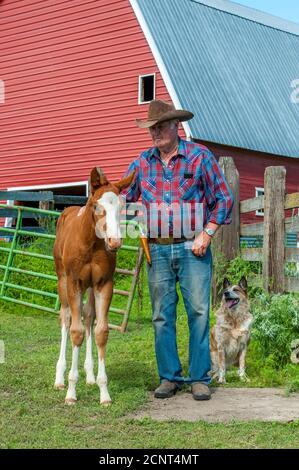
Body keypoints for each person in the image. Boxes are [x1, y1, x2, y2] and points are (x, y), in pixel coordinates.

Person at [121, 100, 234, 401]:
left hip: (192, 248)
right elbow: (123, 199)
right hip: (157, 250)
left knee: (198, 312)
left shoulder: (199, 157)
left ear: (175, 126)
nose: (155, 133)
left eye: (160, 126)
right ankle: (169, 377)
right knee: (161, 316)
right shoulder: (142, 163)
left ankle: (199, 378)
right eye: (151, 128)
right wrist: (127, 215)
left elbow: (223, 199)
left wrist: (207, 234)